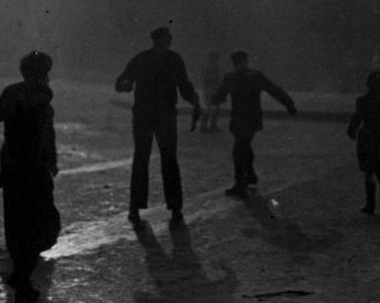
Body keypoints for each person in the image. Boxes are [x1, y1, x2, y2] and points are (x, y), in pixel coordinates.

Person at [0, 51, 60, 303]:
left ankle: (22, 279)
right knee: (40, 222)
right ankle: (22, 278)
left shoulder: (13, 92)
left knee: (17, 222)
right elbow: (47, 133)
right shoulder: (43, 95)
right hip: (35, 166)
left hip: (13, 165)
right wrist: (52, 160)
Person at [115, 27, 201, 223]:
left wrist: (125, 85)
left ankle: (135, 208)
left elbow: (121, 81)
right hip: (165, 116)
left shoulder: (141, 58)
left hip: (143, 115)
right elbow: (185, 87)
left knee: (141, 160)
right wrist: (195, 102)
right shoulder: (174, 59)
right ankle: (175, 208)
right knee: (169, 160)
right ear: (168, 40)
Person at [211, 50, 296, 198]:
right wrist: (289, 103)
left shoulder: (231, 77)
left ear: (234, 63)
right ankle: (249, 174)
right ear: (246, 61)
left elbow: (220, 95)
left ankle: (241, 181)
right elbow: (274, 90)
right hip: (252, 117)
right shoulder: (255, 76)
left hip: (238, 118)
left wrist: (214, 99)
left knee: (240, 148)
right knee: (245, 145)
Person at [347, 71, 380, 214]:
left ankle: (371, 203)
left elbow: (357, 117)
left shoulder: (363, 101)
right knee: (379, 170)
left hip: (369, 138)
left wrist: (352, 130)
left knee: (369, 171)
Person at [201, 51, 222, 133]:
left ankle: (210, 125)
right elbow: (209, 80)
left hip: (213, 90)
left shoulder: (211, 67)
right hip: (211, 91)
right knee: (210, 109)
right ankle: (206, 126)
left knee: (214, 108)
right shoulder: (210, 67)